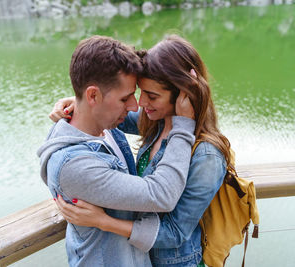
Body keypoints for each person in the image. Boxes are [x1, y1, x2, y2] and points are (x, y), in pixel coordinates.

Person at [50, 35, 234, 267]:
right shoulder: (155, 122)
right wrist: (77, 102)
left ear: (183, 95)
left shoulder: (206, 156)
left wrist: (104, 221)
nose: (140, 103)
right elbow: (106, 113)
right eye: (139, 92)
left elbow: (176, 232)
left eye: (152, 96)